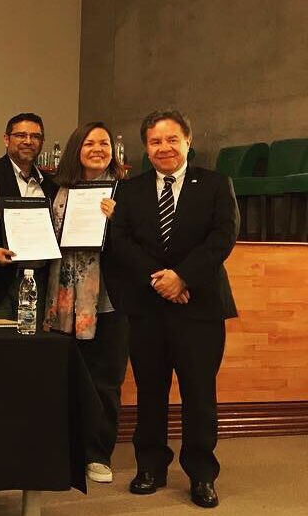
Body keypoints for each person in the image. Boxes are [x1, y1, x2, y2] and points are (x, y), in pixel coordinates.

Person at [105, 109, 237, 508]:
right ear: (146, 148)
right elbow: (120, 241)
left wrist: (183, 277)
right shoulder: (129, 190)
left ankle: (201, 473)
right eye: (155, 141)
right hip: (148, 307)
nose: (164, 147)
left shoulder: (215, 184)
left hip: (200, 307)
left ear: (187, 141)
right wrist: (161, 280)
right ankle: (150, 466)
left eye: (171, 139)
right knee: (150, 391)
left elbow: (223, 237)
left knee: (199, 392)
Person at [43, 122, 127, 484]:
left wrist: (117, 221)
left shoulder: (126, 191)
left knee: (104, 381)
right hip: (62, 301)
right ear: (77, 148)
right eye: (90, 143)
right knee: (63, 376)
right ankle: (64, 448)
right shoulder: (56, 190)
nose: (97, 149)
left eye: (104, 143)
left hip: (108, 302)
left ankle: (98, 454)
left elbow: (139, 244)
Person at [0, 113, 58, 320]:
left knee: (31, 337)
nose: (28, 141)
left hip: (38, 281)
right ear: (6, 139)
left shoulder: (50, 185)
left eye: (35, 136)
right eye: (21, 135)